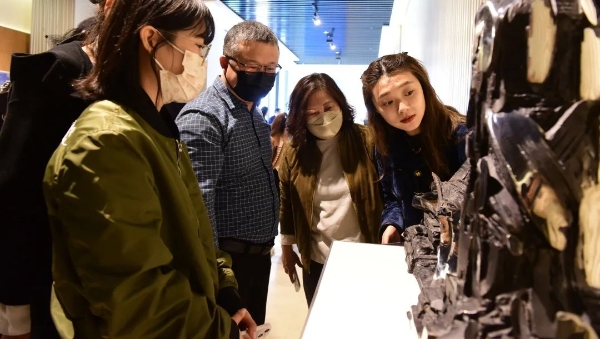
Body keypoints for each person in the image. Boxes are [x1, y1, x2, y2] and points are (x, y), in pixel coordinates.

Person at [43, 0, 256, 339]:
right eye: (198, 46)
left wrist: (225, 291)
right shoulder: (108, 141)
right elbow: (139, 300)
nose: (201, 60)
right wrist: (221, 331)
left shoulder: (155, 129)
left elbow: (192, 231)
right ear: (152, 39)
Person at [0, 0, 169, 339]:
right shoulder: (58, 70)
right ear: (113, 11)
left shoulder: (132, 79)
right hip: (50, 278)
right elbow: (15, 191)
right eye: (154, 31)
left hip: (112, 277)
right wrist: (15, 307)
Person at [177, 21, 280, 326]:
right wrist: (220, 279)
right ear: (225, 63)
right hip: (228, 263)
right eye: (252, 66)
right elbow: (198, 207)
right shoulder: (205, 117)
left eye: (270, 68)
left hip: (258, 258)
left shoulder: (253, 114)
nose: (262, 75)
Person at [278, 73, 383, 306]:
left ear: (340, 104)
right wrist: (286, 247)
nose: (323, 117)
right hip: (318, 260)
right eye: (312, 113)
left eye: (328, 108)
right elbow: (287, 202)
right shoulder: (294, 152)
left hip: (365, 255)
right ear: (300, 116)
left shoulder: (367, 140)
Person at [361, 53, 469, 244]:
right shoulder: (386, 145)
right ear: (376, 110)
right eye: (388, 102)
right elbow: (392, 199)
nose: (403, 108)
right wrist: (392, 225)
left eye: (409, 92)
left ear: (424, 88)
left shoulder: (463, 136)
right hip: (414, 248)